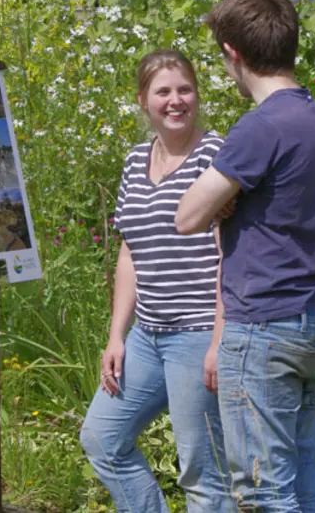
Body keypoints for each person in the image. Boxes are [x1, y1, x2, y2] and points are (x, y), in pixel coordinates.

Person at [175, 0, 315, 512]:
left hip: (263, 326)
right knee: (300, 472)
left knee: (263, 490)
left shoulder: (260, 127)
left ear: (233, 53)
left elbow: (187, 216)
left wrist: (226, 198)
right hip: (311, 317)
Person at [80, 49, 236, 513]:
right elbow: (130, 252)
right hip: (147, 334)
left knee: (202, 471)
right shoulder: (134, 160)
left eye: (184, 89)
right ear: (143, 100)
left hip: (197, 332)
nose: (175, 101)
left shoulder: (217, 155)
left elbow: (234, 251)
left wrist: (218, 339)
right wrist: (117, 336)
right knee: (103, 438)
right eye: (163, 91)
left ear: (197, 95)